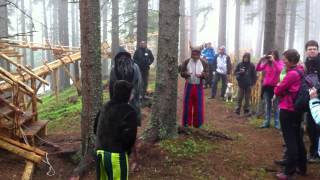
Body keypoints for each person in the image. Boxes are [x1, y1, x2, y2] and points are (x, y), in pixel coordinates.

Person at [94, 80, 138, 180]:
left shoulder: (104, 106)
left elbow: (95, 128)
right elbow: (130, 138)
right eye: (131, 93)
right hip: (116, 156)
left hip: (99, 153)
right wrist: (124, 151)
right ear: (127, 94)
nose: (132, 95)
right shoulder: (129, 111)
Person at [274, 49, 307, 179]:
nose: (283, 60)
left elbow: (278, 89)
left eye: (285, 58)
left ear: (291, 60)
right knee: (298, 139)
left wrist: (278, 87)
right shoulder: (300, 70)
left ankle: (289, 172)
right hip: (297, 109)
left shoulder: (292, 74)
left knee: (290, 141)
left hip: (288, 109)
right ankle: (302, 167)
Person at [109, 47, 143, 126]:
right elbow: (139, 83)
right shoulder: (114, 69)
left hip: (127, 99)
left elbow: (138, 83)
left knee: (128, 115)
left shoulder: (135, 67)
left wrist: (132, 94)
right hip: (123, 99)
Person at [180, 48, 209, 128]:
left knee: (199, 105)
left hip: (199, 86)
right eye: (193, 55)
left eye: (197, 55)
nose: (195, 56)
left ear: (199, 55)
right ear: (191, 54)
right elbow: (181, 73)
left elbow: (207, 74)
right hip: (189, 85)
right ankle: (186, 124)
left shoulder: (204, 62)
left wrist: (202, 75)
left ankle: (198, 124)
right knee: (187, 105)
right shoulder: (186, 62)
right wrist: (186, 74)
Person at [256, 50, 284, 128]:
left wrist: (274, 61)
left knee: (276, 106)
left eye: (272, 55)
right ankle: (266, 122)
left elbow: (281, 70)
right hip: (266, 87)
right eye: (269, 55)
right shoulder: (267, 63)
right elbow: (258, 69)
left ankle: (277, 124)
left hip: (276, 88)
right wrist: (260, 60)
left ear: (276, 55)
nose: (270, 56)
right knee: (267, 105)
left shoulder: (279, 62)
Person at [304, 40, 320, 163]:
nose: (312, 51)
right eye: (310, 49)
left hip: (318, 98)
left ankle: (315, 153)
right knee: (310, 126)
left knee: (316, 126)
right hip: (309, 98)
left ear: (318, 50)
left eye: (314, 48)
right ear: (306, 51)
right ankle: (313, 152)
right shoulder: (306, 63)